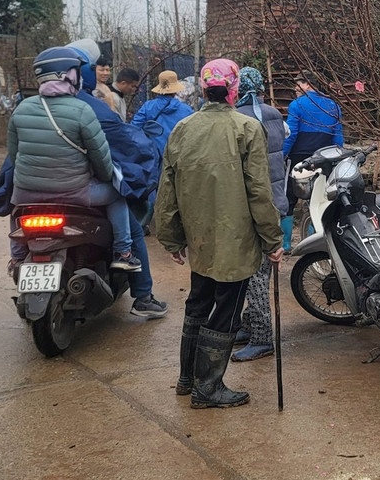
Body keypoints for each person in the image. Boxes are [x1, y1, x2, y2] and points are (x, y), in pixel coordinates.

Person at [155, 58, 284, 409]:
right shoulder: (247, 128)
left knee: (198, 302)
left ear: (202, 87)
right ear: (234, 89)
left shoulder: (183, 128)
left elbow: (167, 188)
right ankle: (208, 388)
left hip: (200, 239)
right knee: (226, 310)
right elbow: (260, 191)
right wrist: (273, 240)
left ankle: (187, 379)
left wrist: (170, 237)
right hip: (235, 241)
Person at [6, 46, 141, 274]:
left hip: (27, 194)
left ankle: (17, 258)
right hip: (74, 193)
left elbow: (14, 155)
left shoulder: (22, 109)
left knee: (15, 209)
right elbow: (101, 158)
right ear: (69, 75)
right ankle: (123, 252)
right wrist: (104, 176)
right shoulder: (82, 110)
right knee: (117, 194)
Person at [67, 40, 168, 318]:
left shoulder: (31, 107)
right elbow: (124, 145)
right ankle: (143, 295)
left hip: (37, 192)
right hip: (84, 190)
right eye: (94, 68)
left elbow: (14, 161)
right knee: (133, 229)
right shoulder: (91, 109)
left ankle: (17, 259)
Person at [232, 66, 290, 362]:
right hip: (275, 199)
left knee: (254, 276)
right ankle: (248, 324)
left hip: (253, 205)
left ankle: (262, 338)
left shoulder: (237, 118)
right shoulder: (274, 114)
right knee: (258, 272)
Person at [281, 70, 344, 251]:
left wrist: (282, 155)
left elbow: (291, 135)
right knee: (318, 199)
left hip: (299, 159)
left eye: (298, 84)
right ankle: (312, 240)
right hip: (324, 159)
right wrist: (337, 158)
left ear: (307, 84)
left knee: (289, 198)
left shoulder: (296, 105)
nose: (295, 88)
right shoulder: (333, 106)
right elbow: (338, 139)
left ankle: (286, 244)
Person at [131, 70, 195, 156]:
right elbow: (192, 136)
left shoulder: (148, 107)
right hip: (176, 156)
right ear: (175, 90)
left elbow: (134, 128)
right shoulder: (186, 110)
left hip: (153, 155)